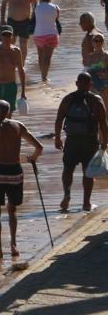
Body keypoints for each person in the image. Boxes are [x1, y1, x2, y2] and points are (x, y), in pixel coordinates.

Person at [0, 100, 44, 258]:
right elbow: (39, 147)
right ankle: (13, 245)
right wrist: (32, 158)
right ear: (9, 112)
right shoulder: (18, 126)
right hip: (14, 171)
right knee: (12, 210)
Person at [54, 72, 108, 213]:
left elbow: (59, 119)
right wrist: (105, 142)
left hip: (72, 140)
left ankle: (67, 194)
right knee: (88, 172)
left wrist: (58, 137)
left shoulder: (68, 99)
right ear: (90, 85)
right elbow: (103, 123)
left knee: (68, 169)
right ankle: (86, 202)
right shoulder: (95, 100)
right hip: (89, 141)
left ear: (77, 83)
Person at [0, 26, 28, 113]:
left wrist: (23, 92)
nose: (6, 38)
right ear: (0, 36)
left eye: (9, 35)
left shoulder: (16, 52)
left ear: (12, 37)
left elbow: (21, 71)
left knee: (9, 112)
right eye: (4, 35)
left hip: (10, 86)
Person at [0, 0, 38, 64]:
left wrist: (34, 18)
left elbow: (36, 5)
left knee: (23, 44)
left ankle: (22, 64)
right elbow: (3, 5)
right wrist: (2, 20)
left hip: (25, 21)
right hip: (11, 21)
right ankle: (12, 63)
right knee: (10, 44)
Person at [33, 0, 61, 82]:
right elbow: (56, 18)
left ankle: (42, 75)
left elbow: (34, 18)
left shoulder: (36, 7)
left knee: (40, 56)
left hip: (38, 34)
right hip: (51, 34)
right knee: (47, 58)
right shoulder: (55, 7)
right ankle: (44, 77)